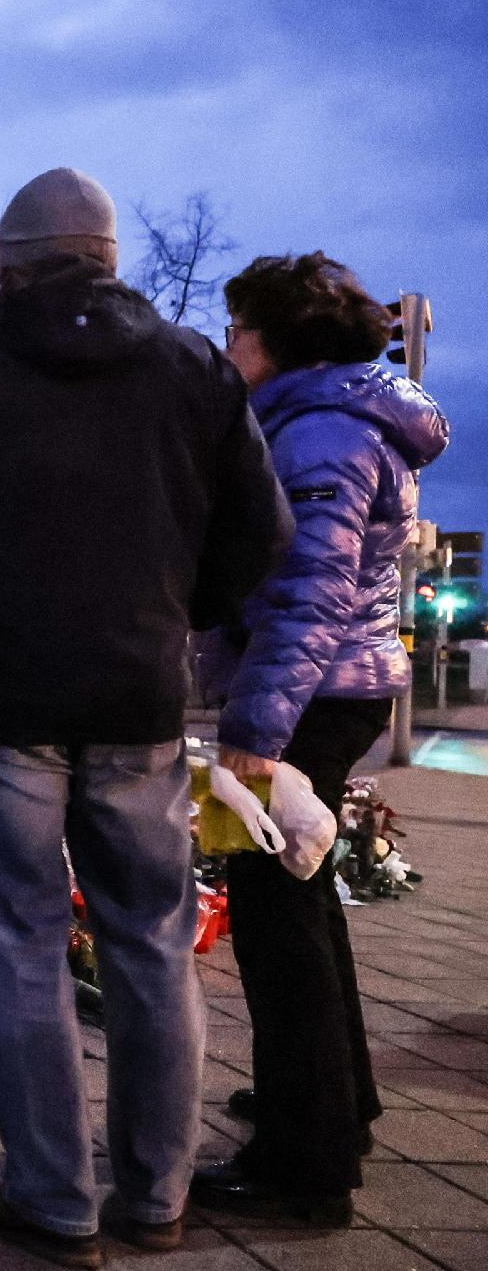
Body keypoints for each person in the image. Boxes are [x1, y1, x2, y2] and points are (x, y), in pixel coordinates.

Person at [0, 168, 291, 1268]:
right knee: (152, 940)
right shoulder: (192, 366)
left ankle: (53, 1195)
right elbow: (265, 527)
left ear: (10, 265)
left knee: (16, 942)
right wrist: (178, 612)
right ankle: (157, 1193)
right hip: (135, 697)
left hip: (4, 706)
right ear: (106, 258)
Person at [191, 253, 449, 1224]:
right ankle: (338, 1103)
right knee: (299, 894)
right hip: (333, 686)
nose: (228, 344)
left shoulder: (322, 432)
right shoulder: (329, 418)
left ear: (280, 340)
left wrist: (255, 735)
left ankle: (306, 1160)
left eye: (239, 328)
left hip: (309, 691)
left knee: (272, 913)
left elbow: (308, 594)